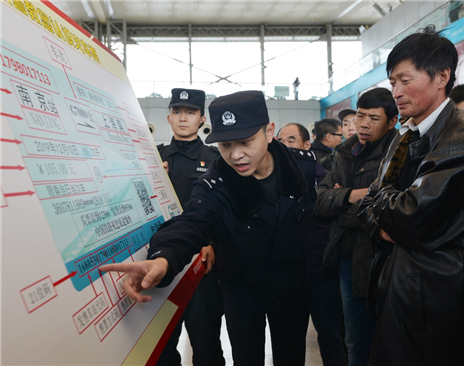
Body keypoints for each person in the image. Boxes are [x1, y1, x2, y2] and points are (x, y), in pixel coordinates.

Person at [102, 91, 314, 366]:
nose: (236, 155)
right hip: (242, 291)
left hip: (292, 291)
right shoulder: (216, 182)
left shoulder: (305, 168)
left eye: (246, 141)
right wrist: (164, 258)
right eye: (225, 145)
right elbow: (192, 221)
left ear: (270, 131)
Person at [358, 26, 464, 365]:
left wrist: (383, 203)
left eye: (406, 80)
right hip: (399, 286)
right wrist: (383, 213)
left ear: (441, 76)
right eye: (392, 82)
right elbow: (368, 207)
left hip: (440, 301)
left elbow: (410, 215)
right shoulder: (403, 135)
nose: (396, 91)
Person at [315, 88, 398, 366]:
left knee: (389, 340)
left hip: (388, 259)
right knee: (355, 341)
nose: (363, 123)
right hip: (350, 260)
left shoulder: (400, 153)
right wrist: (353, 195)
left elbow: (392, 211)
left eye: (373, 118)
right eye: (360, 115)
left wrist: (345, 208)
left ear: (392, 122)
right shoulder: (346, 152)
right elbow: (320, 201)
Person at [156, 88, 224, 366]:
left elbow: (225, 211)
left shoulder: (217, 160)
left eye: (191, 112)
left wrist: (214, 245)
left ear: (202, 119)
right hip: (162, 264)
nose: (183, 118)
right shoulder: (153, 157)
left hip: (201, 266)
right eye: (177, 112)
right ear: (169, 117)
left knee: (206, 346)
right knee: (160, 348)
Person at [277, 123, 346, 366]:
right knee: (289, 339)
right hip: (287, 275)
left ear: (307, 145)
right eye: (281, 140)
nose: (285, 146)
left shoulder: (326, 180)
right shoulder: (271, 181)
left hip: (321, 272)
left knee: (329, 334)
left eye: (291, 140)